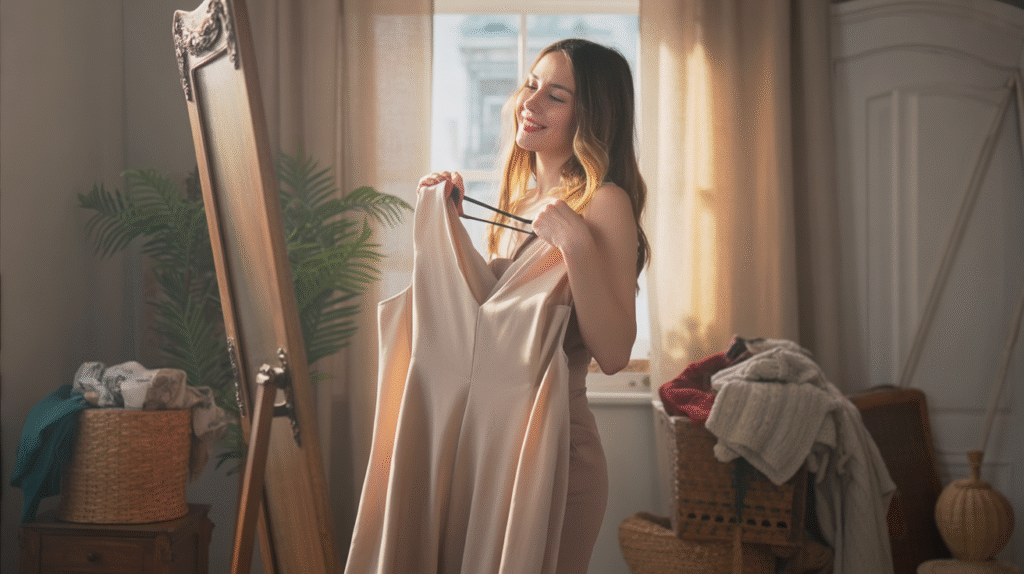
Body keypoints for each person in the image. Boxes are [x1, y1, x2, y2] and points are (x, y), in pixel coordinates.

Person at [345, 38, 649, 574]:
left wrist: (576, 245)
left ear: (592, 115)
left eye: (555, 96)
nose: (529, 103)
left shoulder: (605, 202)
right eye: (531, 85)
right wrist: (449, 231)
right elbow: (489, 328)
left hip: (555, 451)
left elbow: (615, 353)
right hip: (487, 449)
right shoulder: (519, 200)